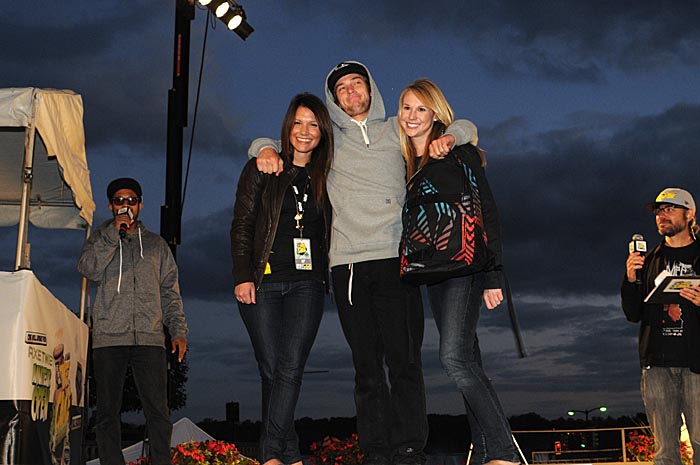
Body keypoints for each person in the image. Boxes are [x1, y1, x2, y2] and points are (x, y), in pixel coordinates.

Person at [249, 61, 478, 465]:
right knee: (366, 368)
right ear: (334, 98)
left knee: (405, 363)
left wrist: (451, 137)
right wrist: (262, 148)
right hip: (348, 267)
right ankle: (375, 453)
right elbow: (289, 140)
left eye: (357, 83)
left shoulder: (395, 128)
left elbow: (466, 127)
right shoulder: (329, 140)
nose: (351, 91)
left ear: (370, 88)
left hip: (397, 260)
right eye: (341, 87)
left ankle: (410, 450)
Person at [398, 79, 519, 465]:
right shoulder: (406, 161)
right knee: (469, 360)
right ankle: (484, 453)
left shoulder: (458, 151)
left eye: (421, 108)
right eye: (406, 108)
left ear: (436, 113)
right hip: (432, 273)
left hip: (466, 268)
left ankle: (504, 452)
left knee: (453, 359)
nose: (412, 116)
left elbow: (488, 212)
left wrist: (493, 275)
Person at [231, 93, 333, 465]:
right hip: (263, 282)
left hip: (308, 283)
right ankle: (288, 451)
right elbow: (242, 224)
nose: (305, 131)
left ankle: (271, 453)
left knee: (289, 367)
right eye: (299, 123)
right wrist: (243, 275)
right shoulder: (263, 166)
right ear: (288, 126)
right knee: (271, 368)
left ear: (323, 131)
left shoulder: (329, 173)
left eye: (314, 124)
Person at [78, 178, 188, 465]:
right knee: (107, 413)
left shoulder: (156, 245)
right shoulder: (99, 239)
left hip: (150, 339)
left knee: (158, 411)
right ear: (110, 206)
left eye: (131, 200)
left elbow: (170, 291)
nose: (125, 205)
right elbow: (88, 269)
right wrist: (112, 236)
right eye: (119, 200)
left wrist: (178, 330)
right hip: (109, 337)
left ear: (140, 205)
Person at [622, 187, 700, 465]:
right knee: (665, 452)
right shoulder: (649, 260)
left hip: (697, 364)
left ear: (689, 214)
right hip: (656, 366)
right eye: (658, 211)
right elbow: (633, 314)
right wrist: (631, 279)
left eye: (669, 209)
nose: (661, 216)